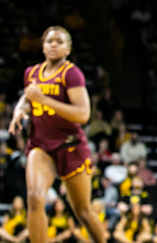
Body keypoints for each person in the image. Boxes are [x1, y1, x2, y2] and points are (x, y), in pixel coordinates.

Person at [7, 26, 107, 243]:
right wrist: (19, 110)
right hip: (41, 147)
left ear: (68, 49)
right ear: (43, 46)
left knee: (83, 212)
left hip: (70, 146)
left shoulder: (71, 73)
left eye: (59, 42)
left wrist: (44, 101)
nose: (53, 44)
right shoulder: (31, 73)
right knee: (34, 198)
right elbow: (28, 97)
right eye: (49, 41)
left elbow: (83, 114)